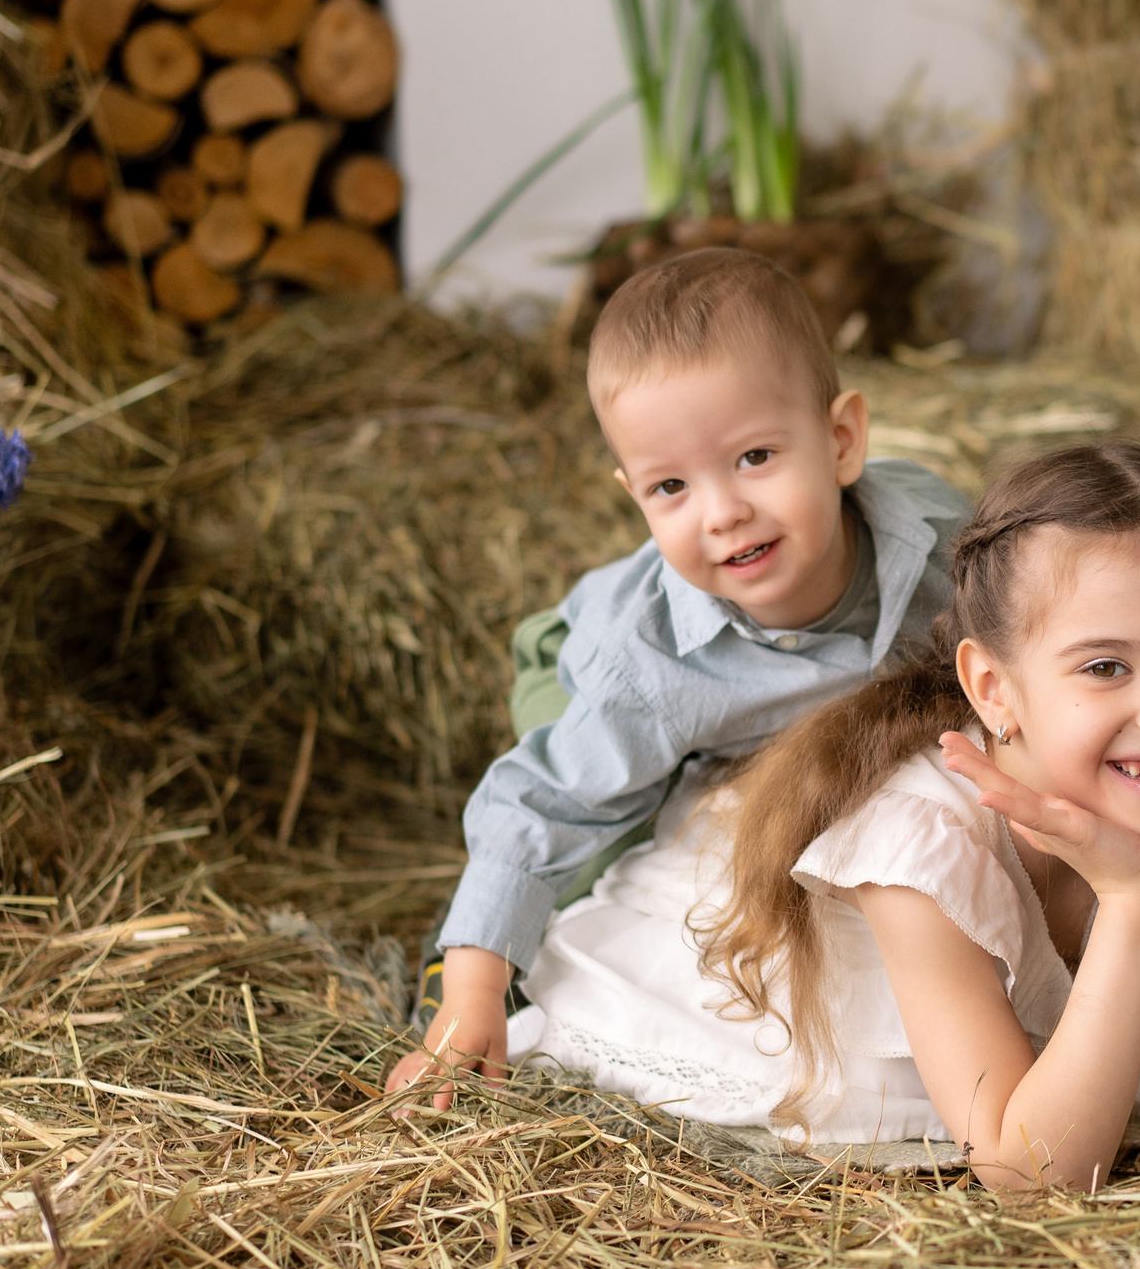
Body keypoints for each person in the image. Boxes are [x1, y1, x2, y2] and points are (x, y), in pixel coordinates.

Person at [501, 441, 1140, 1191]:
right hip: (729, 946)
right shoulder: (921, 844)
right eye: (1108, 665)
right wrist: (1127, 900)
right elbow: (1032, 1172)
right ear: (994, 689)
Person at [384, 248, 968, 1105]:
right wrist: (479, 987)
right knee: (603, 838)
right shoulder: (644, 666)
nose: (722, 511)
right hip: (581, 665)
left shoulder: (943, 545)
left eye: (756, 457)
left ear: (841, 441)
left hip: (801, 716)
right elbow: (544, 804)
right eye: (670, 486)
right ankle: (464, 969)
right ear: (635, 495)